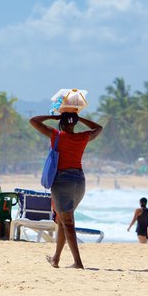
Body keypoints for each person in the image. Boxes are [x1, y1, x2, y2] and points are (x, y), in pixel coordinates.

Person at [29, 111, 103, 269]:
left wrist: (52, 117)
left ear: (61, 123)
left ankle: (78, 262)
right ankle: (55, 258)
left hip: (62, 181)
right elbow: (98, 128)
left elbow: (34, 120)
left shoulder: (57, 135)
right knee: (63, 219)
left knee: (67, 221)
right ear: (74, 124)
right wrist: (79, 118)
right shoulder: (82, 137)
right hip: (79, 181)